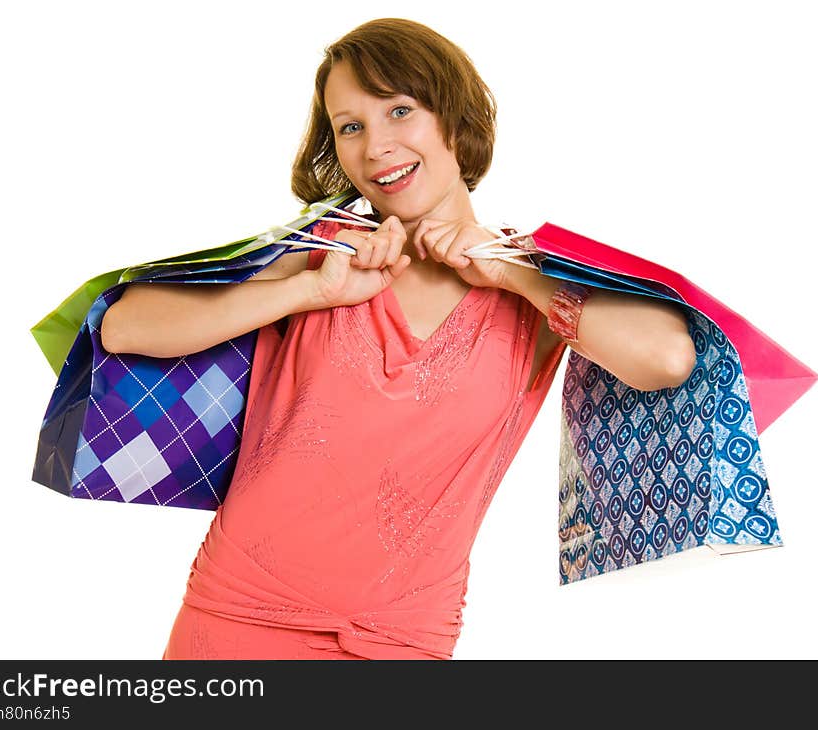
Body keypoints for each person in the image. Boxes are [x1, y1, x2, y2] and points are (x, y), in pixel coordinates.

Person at [100, 18, 697, 660]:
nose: (376, 144)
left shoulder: (533, 278)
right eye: (350, 125)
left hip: (400, 640)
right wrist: (308, 293)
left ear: (455, 120)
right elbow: (125, 325)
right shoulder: (320, 253)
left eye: (400, 110)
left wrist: (512, 272)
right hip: (238, 618)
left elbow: (665, 358)